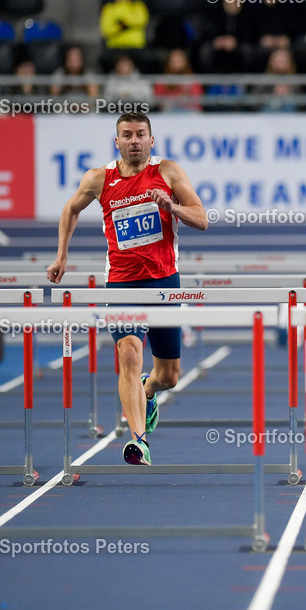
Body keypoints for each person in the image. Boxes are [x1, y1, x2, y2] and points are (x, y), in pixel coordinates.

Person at [47, 113, 208, 465]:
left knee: (169, 377)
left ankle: (148, 391)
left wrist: (172, 206)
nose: (134, 141)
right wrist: (61, 256)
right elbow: (70, 209)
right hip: (121, 283)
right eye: (127, 135)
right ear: (116, 141)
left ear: (151, 140)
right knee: (129, 353)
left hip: (165, 282)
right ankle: (139, 439)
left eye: (140, 135)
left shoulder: (168, 172)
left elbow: (202, 219)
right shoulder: (98, 178)